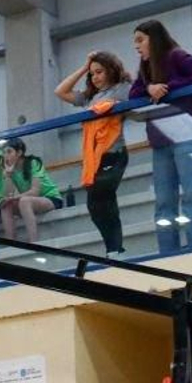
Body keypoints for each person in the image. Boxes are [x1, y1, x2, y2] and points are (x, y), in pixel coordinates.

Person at [129, 19, 192, 254]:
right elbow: (133, 93)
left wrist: (166, 87)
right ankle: (168, 252)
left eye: (140, 40)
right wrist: (149, 89)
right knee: (164, 201)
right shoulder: (145, 69)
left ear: (153, 39)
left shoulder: (177, 56)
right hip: (161, 141)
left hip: (186, 136)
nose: (137, 46)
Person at [57, 51, 133, 254]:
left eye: (99, 72)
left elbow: (137, 108)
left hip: (114, 153)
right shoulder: (90, 96)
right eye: (92, 74)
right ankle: (115, 250)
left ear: (111, 69)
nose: (95, 77)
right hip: (95, 158)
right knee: (98, 204)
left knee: (101, 200)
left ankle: (115, 249)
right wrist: (84, 67)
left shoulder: (122, 88)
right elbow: (61, 91)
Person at [0, 139, 62, 244]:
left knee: (24, 201)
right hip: (29, 202)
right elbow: (8, 194)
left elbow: (35, 191)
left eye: (9, 152)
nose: (5, 156)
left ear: (19, 153)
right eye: (4, 153)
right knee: (5, 205)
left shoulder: (33, 163)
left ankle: (33, 242)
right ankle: (11, 243)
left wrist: (15, 197)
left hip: (51, 198)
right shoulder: (10, 169)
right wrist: (8, 175)